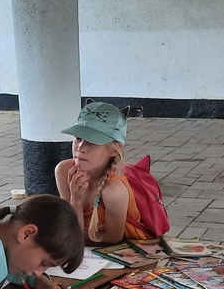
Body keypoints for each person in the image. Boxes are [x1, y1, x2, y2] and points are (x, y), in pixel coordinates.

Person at [55, 103, 154, 242]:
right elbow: (69, 227)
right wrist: (76, 200)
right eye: (78, 137)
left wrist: (72, 235)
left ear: (113, 150)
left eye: (93, 142)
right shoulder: (63, 170)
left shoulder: (114, 190)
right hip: (83, 246)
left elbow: (112, 238)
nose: (81, 148)